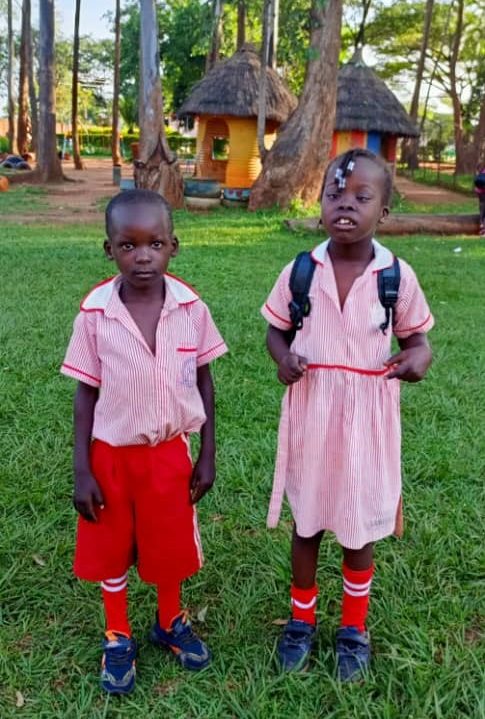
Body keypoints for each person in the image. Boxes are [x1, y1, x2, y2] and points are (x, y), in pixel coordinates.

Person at [261, 148, 434, 681]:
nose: (346, 205)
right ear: (319, 203)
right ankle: (301, 621)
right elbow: (276, 330)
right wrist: (284, 358)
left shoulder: (396, 277)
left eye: (362, 196)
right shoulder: (301, 271)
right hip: (313, 410)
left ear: (384, 211)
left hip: (368, 417)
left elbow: (419, 338)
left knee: (358, 529)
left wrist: (418, 359)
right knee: (307, 523)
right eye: (334, 193)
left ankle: (353, 629)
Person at [61, 189, 227, 694]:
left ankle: (170, 620)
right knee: (111, 547)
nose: (143, 256)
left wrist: (207, 452)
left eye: (154, 243)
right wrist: (82, 469)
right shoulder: (94, 313)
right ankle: (117, 635)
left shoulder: (191, 308)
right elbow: (85, 395)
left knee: (169, 544)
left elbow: (204, 382)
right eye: (128, 245)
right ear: (108, 249)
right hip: (110, 456)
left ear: (173, 245)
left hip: (169, 455)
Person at [474, 162, 485, 236]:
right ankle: (483, 229)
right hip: (482, 191)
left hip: (480, 191)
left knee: (482, 208)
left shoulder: (482, 169)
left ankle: (481, 225)